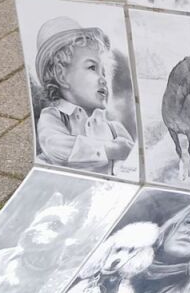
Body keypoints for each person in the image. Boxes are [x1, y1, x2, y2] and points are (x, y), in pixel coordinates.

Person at [34, 17, 134, 175]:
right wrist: (108, 149)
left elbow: (131, 159)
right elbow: (55, 146)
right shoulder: (54, 117)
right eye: (92, 67)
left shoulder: (113, 127)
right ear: (62, 75)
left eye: (104, 72)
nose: (103, 79)